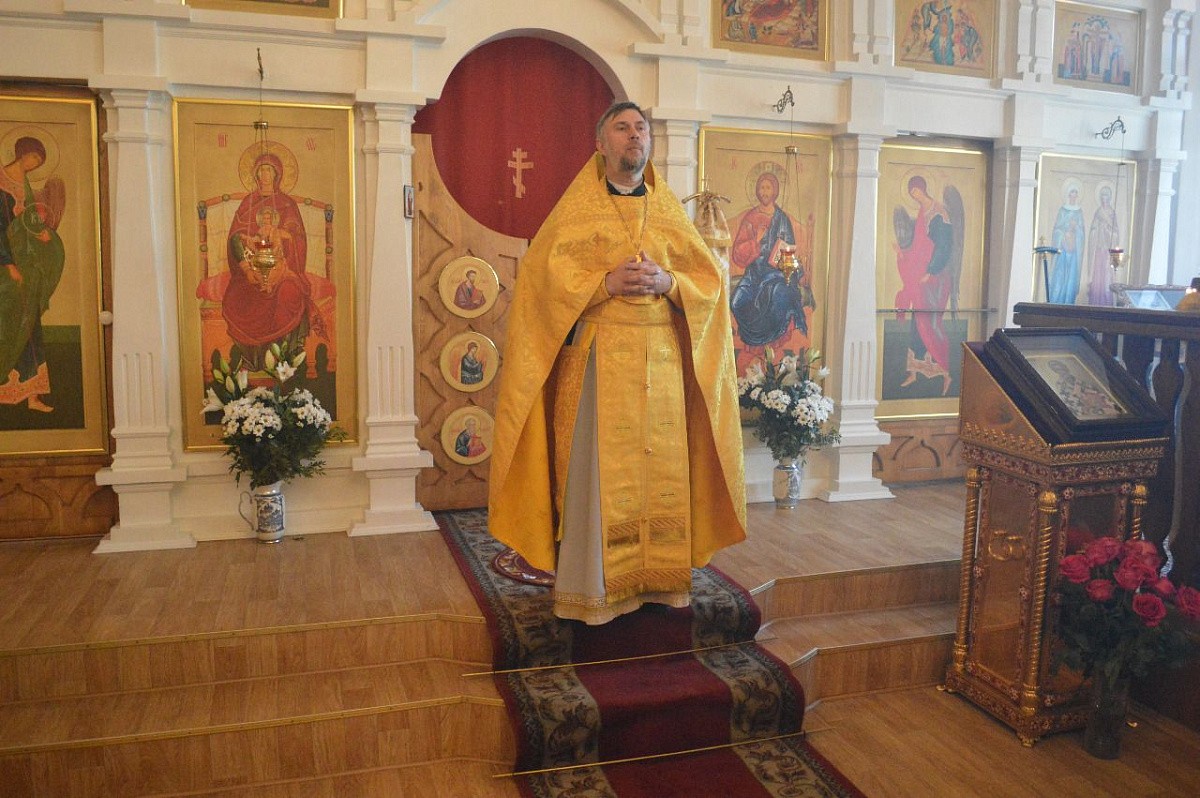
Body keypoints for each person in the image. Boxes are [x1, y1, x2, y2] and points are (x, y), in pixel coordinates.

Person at [488, 101, 747, 625]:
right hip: (600, 363)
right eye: (622, 128)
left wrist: (669, 282)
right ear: (600, 144)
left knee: (664, 471)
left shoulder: (667, 210)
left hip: (663, 364)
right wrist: (602, 283)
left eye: (641, 128)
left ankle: (661, 584)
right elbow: (540, 284)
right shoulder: (577, 209)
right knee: (596, 475)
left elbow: (710, 283)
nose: (634, 136)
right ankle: (593, 590)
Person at [222, 151, 315, 372]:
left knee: (289, 292)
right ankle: (252, 359)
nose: (265, 174)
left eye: (269, 170)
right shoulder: (248, 203)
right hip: (250, 269)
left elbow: (299, 240)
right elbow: (235, 238)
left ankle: (283, 357)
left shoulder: (287, 204)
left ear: (277, 174)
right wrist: (247, 269)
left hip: (282, 268)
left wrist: (285, 235)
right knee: (241, 295)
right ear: (255, 174)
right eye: (261, 170)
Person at [0, 136, 65, 413]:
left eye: (39, 162)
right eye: (34, 158)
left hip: (25, 266)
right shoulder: (2, 182)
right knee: (7, 326)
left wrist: (41, 233)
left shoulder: (25, 185)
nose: (35, 164)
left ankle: (32, 396)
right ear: (22, 153)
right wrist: (8, 264)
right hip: (7, 270)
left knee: (30, 325)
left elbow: (27, 219)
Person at [729, 170, 813, 374]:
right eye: (762, 188)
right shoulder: (751, 217)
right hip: (754, 272)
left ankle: (770, 353)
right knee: (737, 301)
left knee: (777, 294)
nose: (764, 192)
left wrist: (783, 260)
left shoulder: (781, 218)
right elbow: (738, 254)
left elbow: (789, 250)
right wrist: (756, 241)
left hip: (776, 272)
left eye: (768, 188)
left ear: (775, 191)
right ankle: (752, 348)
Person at [894, 176, 955, 395]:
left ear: (923, 189)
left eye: (916, 192)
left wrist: (931, 271)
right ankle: (914, 372)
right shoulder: (922, 213)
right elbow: (919, 247)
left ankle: (946, 373)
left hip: (935, 280)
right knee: (917, 323)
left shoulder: (940, 214)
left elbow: (944, 248)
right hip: (922, 278)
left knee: (931, 324)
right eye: (912, 194)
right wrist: (903, 253)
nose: (915, 196)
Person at [1049, 182, 1084, 304]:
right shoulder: (1063, 210)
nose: (1074, 196)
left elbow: (1082, 233)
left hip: (1073, 250)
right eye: (1072, 194)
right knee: (1060, 276)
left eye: (1075, 194)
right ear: (1068, 195)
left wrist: (1076, 228)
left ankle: (1069, 302)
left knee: (1071, 277)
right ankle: (1056, 301)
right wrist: (1063, 235)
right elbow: (1057, 229)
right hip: (1063, 249)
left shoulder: (1079, 212)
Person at [1085, 184, 1118, 306]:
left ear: (1109, 197)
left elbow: (1116, 234)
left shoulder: (1112, 213)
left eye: (1106, 195)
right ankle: (1095, 302)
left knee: (1107, 277)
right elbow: (1092, 231)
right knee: (1098, 276)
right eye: (1102, 195)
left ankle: (1106, 303)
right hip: (1099, 250)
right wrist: (1098, 229)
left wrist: (1107, 230)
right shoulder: (1098, 212)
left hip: (1108, 252)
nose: (1104, 198)